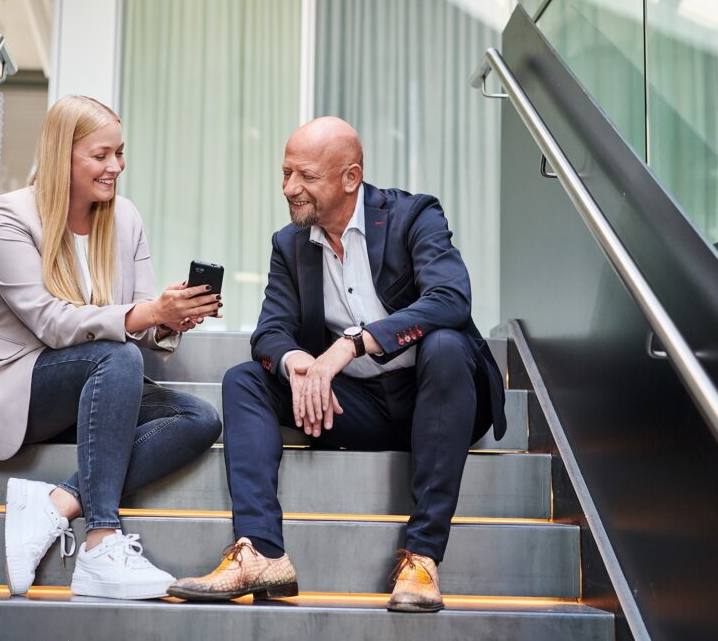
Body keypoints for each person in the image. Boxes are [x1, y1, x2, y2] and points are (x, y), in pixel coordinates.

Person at [168, 117, 505, 612]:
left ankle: (423, 559)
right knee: (245, 378)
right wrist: (298, 362)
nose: (289, 188)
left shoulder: (414, 216)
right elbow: (269, 331)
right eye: (285, 174)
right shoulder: (289, 243)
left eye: (305, 176)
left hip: (436, 403)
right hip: (354, 407)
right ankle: (261, 551)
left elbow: (451, 298)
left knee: (448, 345)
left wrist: (353, 343)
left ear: (350, 178)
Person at [0, 95, 223, 600]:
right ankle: (100, 540)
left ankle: (58, 502)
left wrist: (170, 318)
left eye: (120, 154)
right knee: (118, 357)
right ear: (62, 155)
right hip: (17, 384)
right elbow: (51, 324)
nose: (115, 166)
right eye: (101, 155)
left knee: (199, 418)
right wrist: (146, 315)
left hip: (95, 383)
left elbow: (140, 323)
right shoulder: (8, 216)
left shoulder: (125, 218)